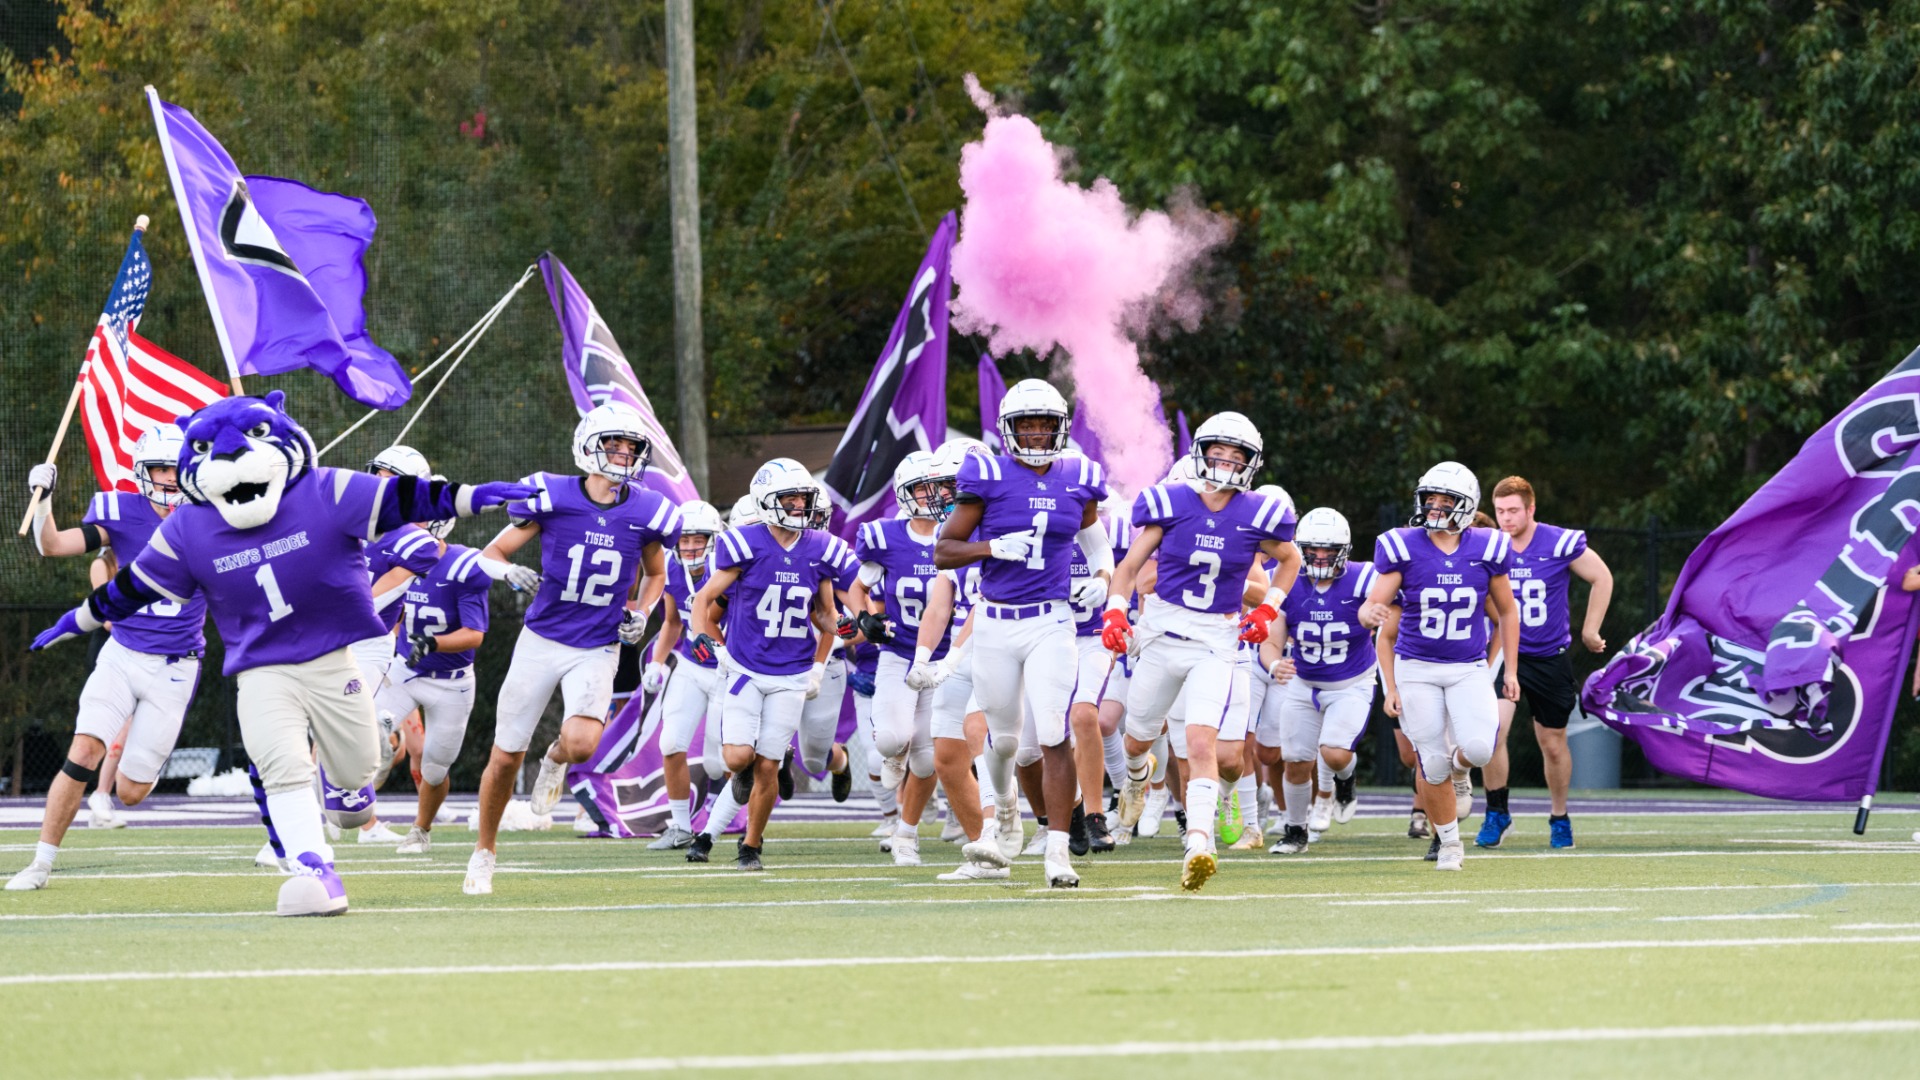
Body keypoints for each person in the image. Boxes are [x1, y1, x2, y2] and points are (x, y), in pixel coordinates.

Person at [29, 392, 533, 914]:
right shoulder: (188, 526)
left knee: (357, 780)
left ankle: (354, 792)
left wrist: (476, 497)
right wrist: (77, 620)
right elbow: (130, 586)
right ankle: (316, 873)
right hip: (259, 668)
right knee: (284, 769)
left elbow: (409, 499)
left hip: (332, 657)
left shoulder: (324, 490)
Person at [465, 402, 678, 895]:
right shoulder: (552, 495)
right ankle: (484, 851)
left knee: (582, 743)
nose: (624, 455)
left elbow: (657, 574)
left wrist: (643, 612)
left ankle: (556, 759)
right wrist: (506, 572)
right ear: (589, 447)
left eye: (632, 447)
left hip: (598, 645)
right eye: (614, 445)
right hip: (541, 640)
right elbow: (492, 553)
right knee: (505, 755)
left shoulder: (647, 508)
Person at [7, 426, 206, 891]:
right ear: (142, 472)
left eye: (177, 469)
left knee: (131, 793)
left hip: (177, 664)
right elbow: (52, 545)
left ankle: (141, 762)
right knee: (83, 753)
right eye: (161, 469)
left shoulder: (207, 517)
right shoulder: (119, 511)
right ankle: (40, 863)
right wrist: (44, 502)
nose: (171, 479)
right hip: (123, 654)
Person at [1107, 412, 1300, 890]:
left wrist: (1269, 609)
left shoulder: (1258, 512)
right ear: (1200, 453)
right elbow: (1130, 567)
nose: (1226, 463)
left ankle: (1199, 842)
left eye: (1238, 457)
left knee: (1199, 744)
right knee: (1136, 740)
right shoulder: (1170, 501)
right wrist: (1115, 610)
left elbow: (1291, 559)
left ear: (1250, 465)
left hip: (1216, 640)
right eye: (1218, 453)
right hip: (1161, 635)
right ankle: (1137, 775)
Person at [932, 380, 1113, 888]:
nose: (1035, 434)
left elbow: (1097, 545)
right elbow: (944, 550)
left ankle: (1058, 851)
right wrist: (992, 548)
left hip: (1051, 621)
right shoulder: (987, 475)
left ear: (1060, 428)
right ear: (1008, 430)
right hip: (994, 621)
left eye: (1044, 425)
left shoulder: (1078, 477)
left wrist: (1102, 580)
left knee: (1054, 733)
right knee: (1005, 741)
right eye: (1026, 425)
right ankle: (1005, 810)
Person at [688, 458, 848, 870]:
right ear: (766, 500)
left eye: (802, 498)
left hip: (792, 673)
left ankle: (751, 846)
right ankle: (740, 780)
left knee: (770, 765)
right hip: (746, 666)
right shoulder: (744, 543)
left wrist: (845, 624)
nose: (799, 506)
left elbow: (824, 613)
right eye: (790, 498)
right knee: (738, 758)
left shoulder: (820, 547)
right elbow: (704, 599)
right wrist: (701, 635)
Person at [1360, 462, 1519, 872]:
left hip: (1467, 666)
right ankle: (1449, 843)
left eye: (1445, 500)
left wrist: (1509, 670)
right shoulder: (1402, 545)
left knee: (1481, 747)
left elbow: (1507, 612)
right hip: (1417, 666)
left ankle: (1461, 767)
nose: (1434, 507)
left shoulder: (1488, 546)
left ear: (1465, 507)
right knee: (1430, 761)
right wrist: (1368, 612)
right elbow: (1375, 605)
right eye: (1429, 499)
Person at [1477, 476, 1614, 850]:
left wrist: (1590, 629)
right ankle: (1497, 812)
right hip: (1505, 653)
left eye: (1513, 511)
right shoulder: (1489, 545)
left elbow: (1602, 577)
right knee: (1491, 734)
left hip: (1549, 656)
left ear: (1531, 509)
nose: (1505, 519)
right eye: (1500, 511)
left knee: (1552, 743)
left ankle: (1559, 816)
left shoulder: (1559, 541)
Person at [1260, 507, 1378, 855]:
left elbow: (1395, 606)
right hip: (1303, 681)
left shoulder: (1365, 578)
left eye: (1329, 549)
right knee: (1296, 760)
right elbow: (1270, 641)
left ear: (1344, 550)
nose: (1321, 556)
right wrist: (1273, 665)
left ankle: (1345, 780)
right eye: (1313, 549)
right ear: (1300, 549)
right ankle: (1296, 832)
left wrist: (1376, 612)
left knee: (1336, 754)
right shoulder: (1286, 580)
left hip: (1351, 681)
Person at [642, 499, 726, 850]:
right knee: (670, 741)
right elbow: (673, 621)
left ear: (713, 539)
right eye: (685, 539)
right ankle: (679, 826)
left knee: (719, 763)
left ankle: (741, 812)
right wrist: (657, 662)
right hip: (692, 665)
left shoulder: (727, 568)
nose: (690, 546)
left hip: (727, 669)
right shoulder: (672, 570)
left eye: (698, 539)